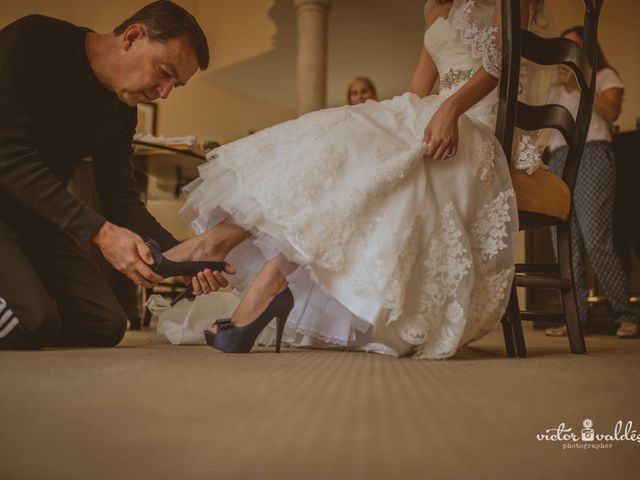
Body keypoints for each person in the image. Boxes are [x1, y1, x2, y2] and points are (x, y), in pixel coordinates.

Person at [160, 0, 539, 358]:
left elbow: (500, 65)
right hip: (430, 113)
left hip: (475, 121)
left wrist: (451, 109)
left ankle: (254, 274)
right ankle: (225, 244)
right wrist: (377, 124)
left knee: (366, 151)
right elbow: (415, 90)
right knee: (339, 142)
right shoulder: (435, 6)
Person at [0, 1, 224, 349]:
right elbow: (8, 158)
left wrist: (185, 256)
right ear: (133, 37)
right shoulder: (35, 42)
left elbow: (120, 198)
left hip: (34, 219)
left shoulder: (122, 111)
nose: (164, 92)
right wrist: (101, 233)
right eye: (165, 71)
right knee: (32, 320)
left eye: (174, 85)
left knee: (104, 325)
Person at [544, 26, 639, 338]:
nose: (567, 55)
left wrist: (584, 81)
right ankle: (576, 317)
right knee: (563, 244)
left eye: (574, 47)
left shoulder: (604, 75)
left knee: (596, 237)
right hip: (558, 160)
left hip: (593, 155)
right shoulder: (553, 90)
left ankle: (627, 314)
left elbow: (610, 111)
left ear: (587, 50)